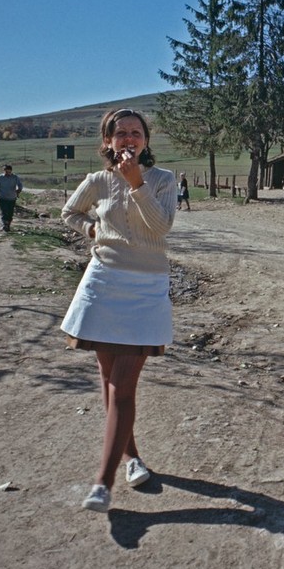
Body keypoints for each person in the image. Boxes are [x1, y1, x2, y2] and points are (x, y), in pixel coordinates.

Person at [60, 109, 178, 513]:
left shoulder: (163, 180)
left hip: (145, 287)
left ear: (146, 140)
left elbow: (160, 228)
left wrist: (136, 183)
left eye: (136, 132)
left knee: (122, 384)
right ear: (108, 142)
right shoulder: (97, 181)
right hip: (103, 282)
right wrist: (92, 229)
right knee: (109, 378)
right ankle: (131, 458)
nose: (129, 138)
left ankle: (102, 482)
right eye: (121, 133)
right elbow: (70, 212)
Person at [0, 164, 23, 232]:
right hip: (2, 197)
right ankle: (4, 225)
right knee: (4, 212)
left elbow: (20, 185)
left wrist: (19, 190)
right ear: (4, 171)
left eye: (9, 172)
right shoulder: (0, 177)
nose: (8, 173)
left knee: (10, 213)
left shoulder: (15, 177)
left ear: (11, 171)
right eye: (6, 172)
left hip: (12, 198)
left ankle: (8, 225)